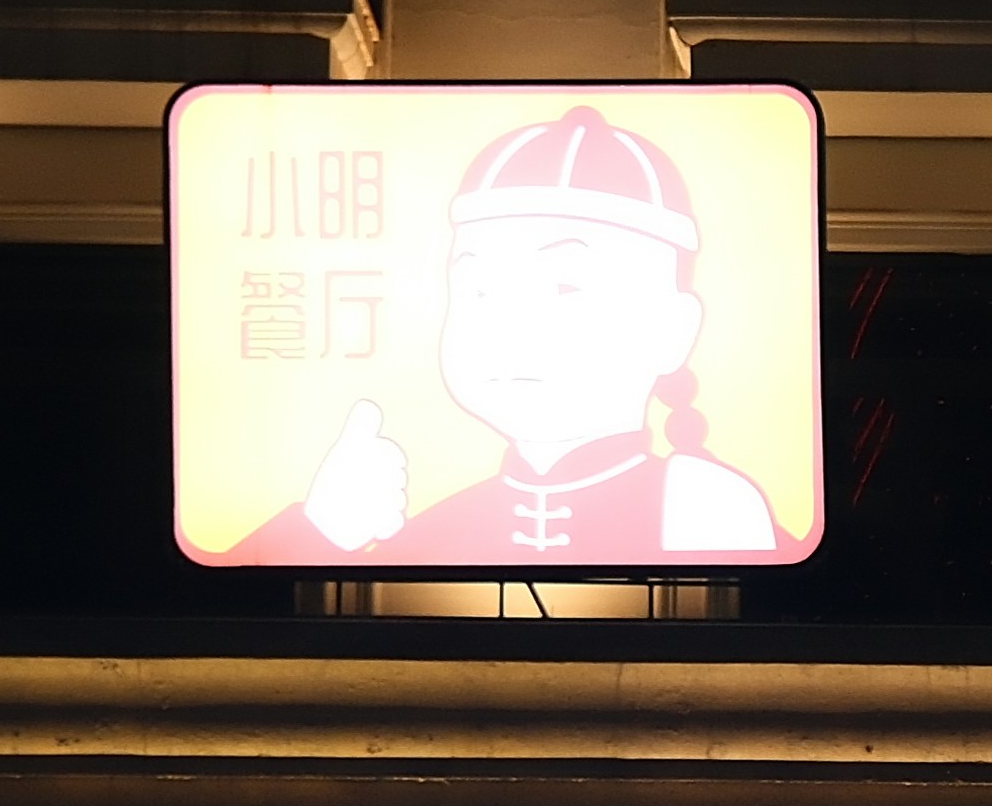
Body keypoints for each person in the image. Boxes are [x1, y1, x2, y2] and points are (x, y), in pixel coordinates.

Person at [220, 99, 798, 566]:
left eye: (565, 288)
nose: (510, 325)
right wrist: (322, 527)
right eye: (478, 290)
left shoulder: (705, 506)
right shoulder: (435, 532)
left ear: (675, 329)